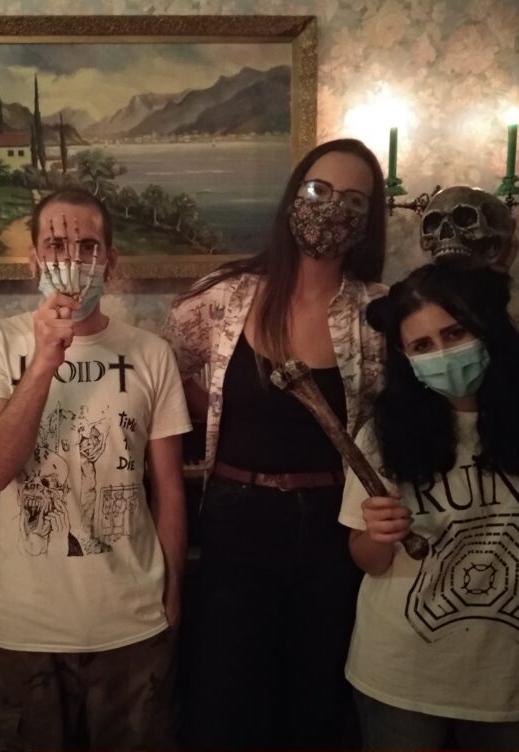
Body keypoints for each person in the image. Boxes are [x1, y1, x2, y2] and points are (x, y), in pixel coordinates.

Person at [160, 138, 388, 749]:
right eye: (319, 190)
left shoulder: (377, 315)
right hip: (235, 517)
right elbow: (166, 373)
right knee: (224, 698)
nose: (332, 207)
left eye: (353, 200)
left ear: (369, 219)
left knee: (314, 700)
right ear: (293, 198)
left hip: (333, 528)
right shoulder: (223, 296)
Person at [340, 262, 519, 750]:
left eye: (454, 333)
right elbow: (368, 561)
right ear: (405, 357)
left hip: (510, 677)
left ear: (487, 327)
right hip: (400, 671)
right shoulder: (382, 434)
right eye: (422, 346)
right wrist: (378, 535)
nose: (443, 354)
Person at [0, 187, 191, 751]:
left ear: (110, 260)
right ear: (33, 259)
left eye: (88, 246)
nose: (72, 260)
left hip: (133, 620)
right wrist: (45, 358)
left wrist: (173, 593)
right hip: (30, 626)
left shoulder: (150, 353)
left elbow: (168, 489)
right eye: (56, 245)